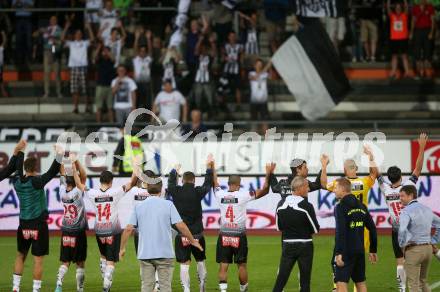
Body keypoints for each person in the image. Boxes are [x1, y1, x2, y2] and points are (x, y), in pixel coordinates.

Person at [120, 177, 203, 292]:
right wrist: (192, 241)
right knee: (165, 287)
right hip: (164, 254)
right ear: (161, 190)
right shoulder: (168, 204)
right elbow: (181, 226)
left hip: (145, 254)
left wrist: (122, 248)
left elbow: (129, 228)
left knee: (146, 287)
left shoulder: (138, 206)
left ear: (148, 189)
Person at [213, 162, 275, 292]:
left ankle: (223, 291)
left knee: (224, 265)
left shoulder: (219, 195)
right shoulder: (243, 195)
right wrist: (268, 173)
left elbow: (215, 183)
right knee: (241, 265)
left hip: (224, 235)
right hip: (239, 236)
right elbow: (264, 190)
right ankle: (243, 290)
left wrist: (212, 168)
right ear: (239, 184)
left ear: (228, 183)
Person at [377, 133, 427, 291]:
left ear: (389, 178)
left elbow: (376, 174)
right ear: (400, 176)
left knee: (400, 260)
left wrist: (371, 156)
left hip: (396, 229)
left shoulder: (385, 189)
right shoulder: (408, 187)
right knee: (418, 255)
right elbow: (418, 168)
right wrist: (422, 147)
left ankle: (401, 289)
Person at [73, 168, 137, 292]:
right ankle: (107, 281)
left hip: (99, 230)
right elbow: (132, 183)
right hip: (113, 230)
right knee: (111, 260)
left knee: (103, 255)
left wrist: (74, 171)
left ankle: (105, 276)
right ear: (111, 181)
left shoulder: (93, 193)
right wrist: (135, 170)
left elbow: (78, 185)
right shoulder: (116, 192)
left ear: (100, 181)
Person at [12, 143, 64, 292]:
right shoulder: (37, 181)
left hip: (23, 225)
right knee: (38, 260)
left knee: (20, 255)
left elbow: (17, 169)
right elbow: (53, 171)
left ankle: (15, 287)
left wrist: (20, 152)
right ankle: (36, 290)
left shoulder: (17, 182)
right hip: (38, 225)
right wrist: (59, 153)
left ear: (25, 169)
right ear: (35, 168)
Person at [167, 156, 214, 292]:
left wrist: (174, 170)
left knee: (184, 263)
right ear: (193, 181)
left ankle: (186, 290)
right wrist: (209, 168)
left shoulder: (176, 191)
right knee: (200, 260)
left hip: (182, 234)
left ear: (182, 180)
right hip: (197, 234)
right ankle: (202, 287)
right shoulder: (197, 191)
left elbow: (170, 184)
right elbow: (208, 184)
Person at [272, 176, 320, 292]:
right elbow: (315, 229)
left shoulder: (281, 204)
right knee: (305, 282)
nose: (308, 189)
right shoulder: (306, 205)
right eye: (307, 187)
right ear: (300, 188)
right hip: (305, 245)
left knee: (281, 280)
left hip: (288, 245)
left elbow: (279, 227)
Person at [333, 178, 378, 292]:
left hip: (346, 251)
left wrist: (339, 252)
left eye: (336, 187)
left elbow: (341, 231)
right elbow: (372, 228)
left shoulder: (340, 207)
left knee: (341, 283)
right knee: (360, 283)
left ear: (343, 189)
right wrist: (373, 250)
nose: (334, 190)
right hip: (359, 250)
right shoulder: (362, 206)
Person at [54, 155, 88, 292]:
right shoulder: (78, 192)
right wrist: (76, 160)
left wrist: (63, 159)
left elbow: (61, 173)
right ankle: (80, 289)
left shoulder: (62, 191)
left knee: (65, 261)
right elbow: (84, 175)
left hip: (66, 230)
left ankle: (59, 284)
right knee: (80, 263)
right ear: (75, 181)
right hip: (78, 231)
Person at [398, 184, 440, 292]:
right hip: (428, 249)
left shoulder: (406, 211)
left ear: (411, 195)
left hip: (414, 250)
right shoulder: (427, 209)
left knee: (413, 285)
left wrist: (402, 245)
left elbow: (402, 230)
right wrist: (433, 240)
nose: (400, 199)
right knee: (423, 281)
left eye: (402, 196)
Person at [62, 20, 95, 114]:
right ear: (74, 35)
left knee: (85, 89)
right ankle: (75, 108)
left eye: (80, 33)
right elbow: (62, 39)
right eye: (77, 33)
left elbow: (92, 39)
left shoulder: (85, 43)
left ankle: (87, 107)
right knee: (74, 90)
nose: (79, 35)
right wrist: (66, 27)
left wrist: (89, 28)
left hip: (83, 68)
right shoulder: (71, 43)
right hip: (73, 68)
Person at [410, 0, 435, 79]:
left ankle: (426, 72)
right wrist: (411, 32)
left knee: (427, 53)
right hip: (418, 31)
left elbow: (433, 21)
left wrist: (431, 32)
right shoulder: (415, 8)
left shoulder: (430, 7)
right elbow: (413, 20)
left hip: (427, 31)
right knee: (417, 53)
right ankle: (420, 73)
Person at [192, 34, 216, 112]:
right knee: (197, 98)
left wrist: (212, 43)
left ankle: (210, 113)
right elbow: (196, 50)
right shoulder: (197, 57)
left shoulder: (209, 57)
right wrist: (200, 40)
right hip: (198, 81)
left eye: (206, 48)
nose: (204, 49)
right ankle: (198, 113)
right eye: (202, 48)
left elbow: (214, 53)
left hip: (207, 81)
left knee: (210, 98)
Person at [387, 0, 410, 79]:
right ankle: (393, 72)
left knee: (404, 56)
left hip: (403, 38)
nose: (398, 9)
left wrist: (405, 1)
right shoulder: (392, 16)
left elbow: (407, 7)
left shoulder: (404, 15)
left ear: (401, 9)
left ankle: (407, 72)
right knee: (394, 56)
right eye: (397, 8)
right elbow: (388, 8)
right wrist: (389, 2)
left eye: (399, 8)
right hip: (394, 39)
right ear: (395, 9)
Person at [41, 16, 63, 98]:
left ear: (56, 21)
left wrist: (50, 36)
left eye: (54, 20)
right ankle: (46, 92)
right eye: (51, 20)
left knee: (57, 73)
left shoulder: (59, 30)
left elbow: (59, 40)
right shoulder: (47, 29)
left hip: (54, 49)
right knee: (46, 73)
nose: (52, 21)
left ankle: (59, 92)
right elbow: (45, 39)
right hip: (47, 51)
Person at [94, 43, 115, 122]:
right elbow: (95, 57)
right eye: (104, 51)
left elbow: (113, 58)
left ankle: (112, 125)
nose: (105, 53)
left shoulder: (111, 61)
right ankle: (98, 125)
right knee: (99, 107)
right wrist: (99, 48)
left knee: (110, 108)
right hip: (100, 86)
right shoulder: (99, 60)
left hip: (110, 86)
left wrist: (107, 51)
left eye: (107, 51)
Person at [133, 30, 153, 109]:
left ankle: (147, 119)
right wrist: (136, 38)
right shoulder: (136, 59)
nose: (143, 52)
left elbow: (150, 51)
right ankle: (137, 118)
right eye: (141, 51)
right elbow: (134, 49)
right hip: (137, 83)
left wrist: (148, 39)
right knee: (137, 102)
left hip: (147, 83)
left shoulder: (148, 59)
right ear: (139, 52)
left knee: (147, 103)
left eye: (144, 51)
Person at [223, 31, 243, 107]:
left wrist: (241, 64)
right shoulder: (225, 46)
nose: (232, 38)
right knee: (224, 86)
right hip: (227, 69)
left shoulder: (239, 46)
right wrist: (225, 58)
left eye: (234, 36)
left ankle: (239, 104)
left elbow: (241, 57)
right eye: (231, 36)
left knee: (238, 87)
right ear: (228, 37)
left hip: (236, 69)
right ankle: (223, 104)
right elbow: (222, 56)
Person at [0, 30, 7, 97]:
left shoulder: (0, 48)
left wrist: (3, 35)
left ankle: (4, 94)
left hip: (0, 67)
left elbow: (4, 42)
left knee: (1, 81)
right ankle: (4, 94)